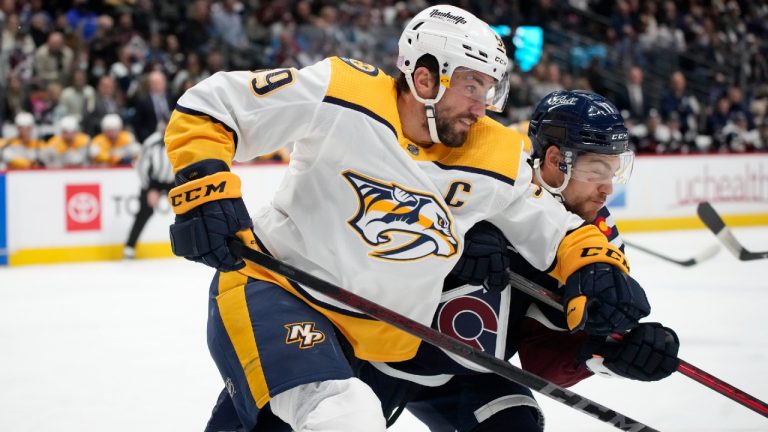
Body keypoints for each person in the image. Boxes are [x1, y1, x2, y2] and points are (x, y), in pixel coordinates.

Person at [166, 6, 650, 431]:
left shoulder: (498, 151)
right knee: (345, 416)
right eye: (470, 85)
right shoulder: (344, 92)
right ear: (424, 78)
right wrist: (205, 191)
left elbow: (558, 229)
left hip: (381, 337)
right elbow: (214, 103)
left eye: (489, 89)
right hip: (277, 290)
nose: (481, 106)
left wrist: (596, 267)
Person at [351, 90, 680, 432]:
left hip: (469, 372)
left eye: (613, 171)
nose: (607, 189)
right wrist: (450, 238)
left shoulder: (595, 242)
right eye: (597, 171)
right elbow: (373, 225)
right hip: (374, 348)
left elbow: (542, 359)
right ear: (556, 161)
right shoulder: (482, 174)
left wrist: (606, 354)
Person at [123, 130, 176, 259]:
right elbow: (141, 166)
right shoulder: (151, 142)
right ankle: (130, 247)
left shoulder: (180, 136)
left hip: (174, 181)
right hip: (154, 182)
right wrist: (150, 188)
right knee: (144, 212)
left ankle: (195, 244)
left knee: (189, 209)